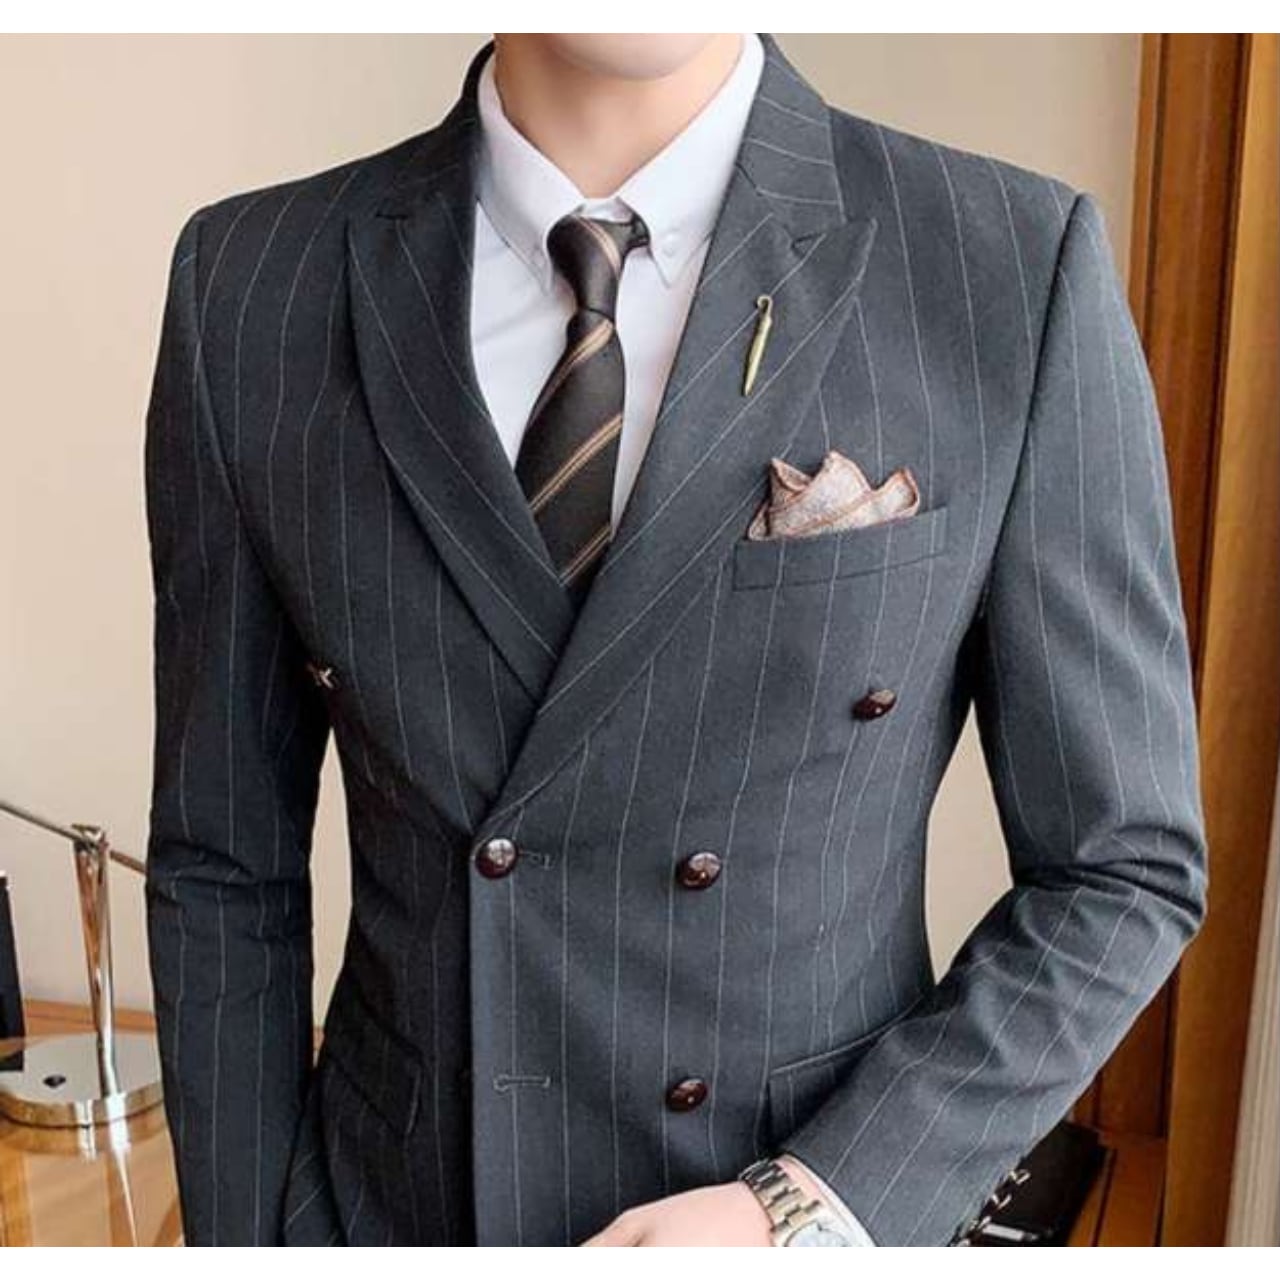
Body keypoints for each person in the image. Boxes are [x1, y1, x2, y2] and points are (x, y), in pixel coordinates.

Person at [141, 32, 1208, 1246]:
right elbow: (221, 862)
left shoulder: (1005, 262)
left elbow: (1118, 868)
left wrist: (807, 1209)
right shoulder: (251, 281)